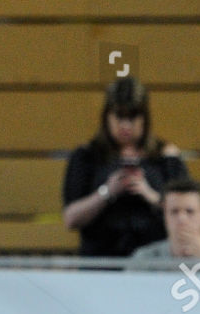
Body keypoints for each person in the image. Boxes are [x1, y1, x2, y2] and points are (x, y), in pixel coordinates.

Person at [61, 76, 188, 257]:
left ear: (145, 118)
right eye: (119, 116)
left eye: (133, 117)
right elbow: (70, 219)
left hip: (155, 262)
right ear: (107, 117)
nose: (126, 125)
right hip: (101, 261)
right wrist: (107, 192)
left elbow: (188, 211)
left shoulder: (166, 156)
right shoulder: (86, 156)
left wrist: (149, 194)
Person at [130, 178, 200, 261]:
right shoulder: (144, 258)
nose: (181, 219)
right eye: (174, 211)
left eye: (190, 211)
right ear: (164, 216)